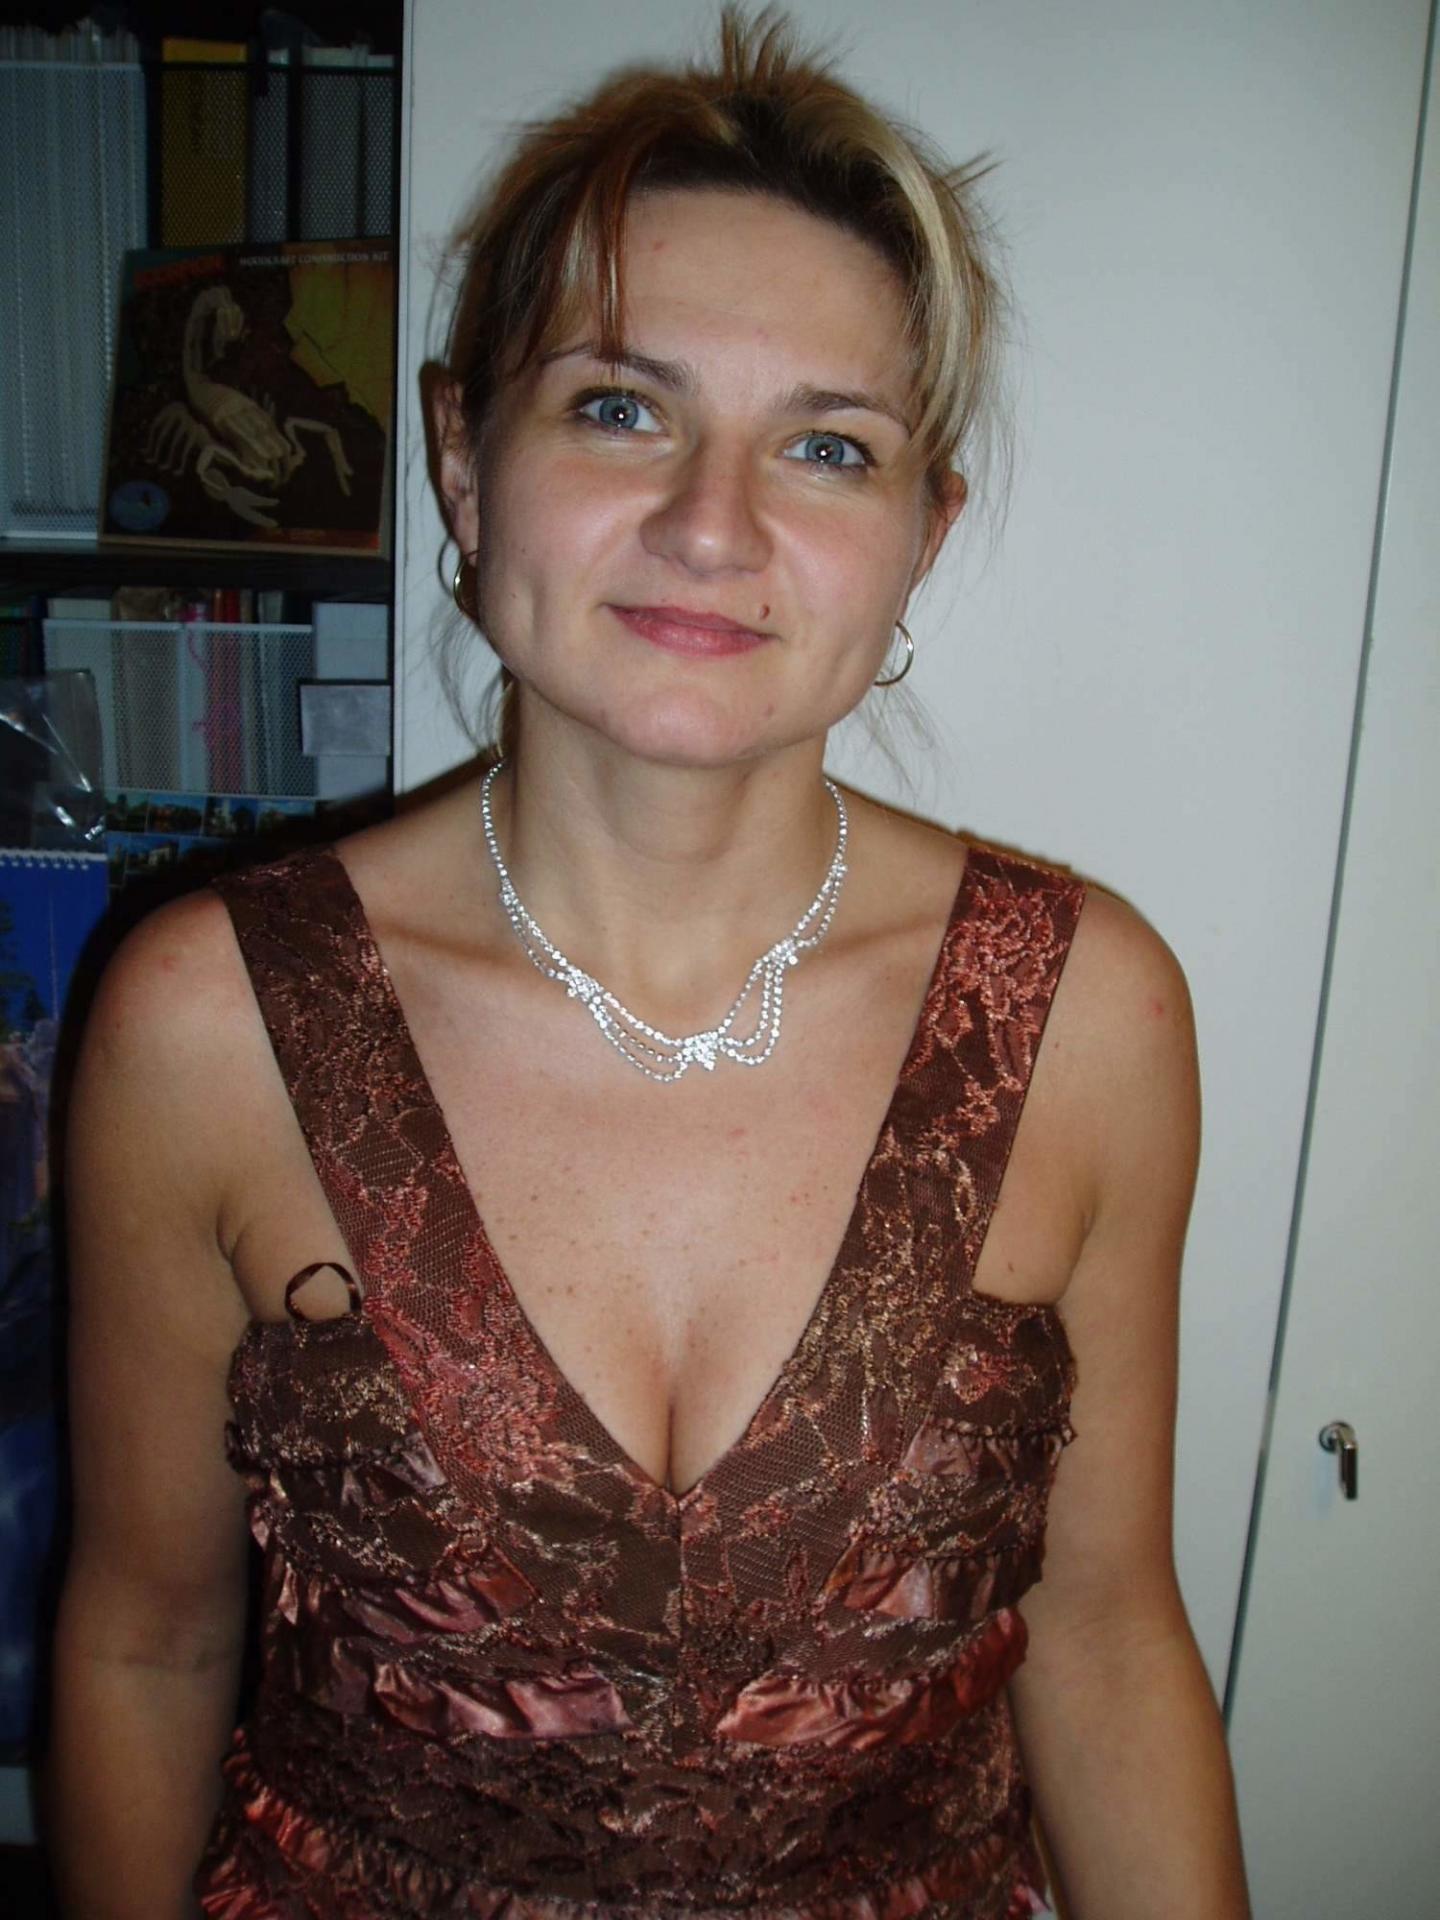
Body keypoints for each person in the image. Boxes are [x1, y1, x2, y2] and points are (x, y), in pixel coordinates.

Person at [48, 10, 1251, 1917]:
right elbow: (146, 1640)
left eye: (828, 448)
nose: (711, 525)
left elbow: (1105, 1640)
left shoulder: (1089, 1015)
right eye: (622, 409)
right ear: (464, 460)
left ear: (921, 538)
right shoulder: (208, 1025)